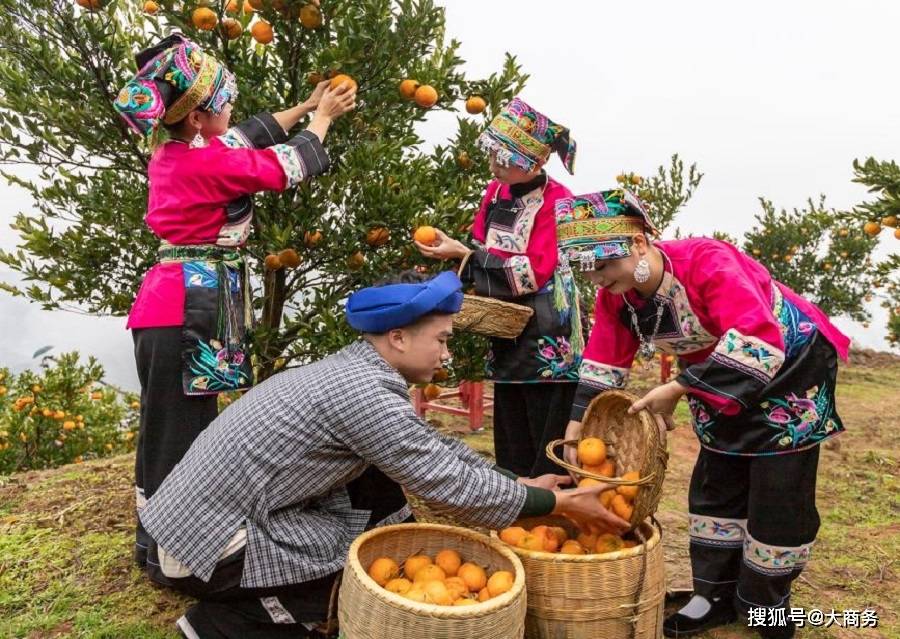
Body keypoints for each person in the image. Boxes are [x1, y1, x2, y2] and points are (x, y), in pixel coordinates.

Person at [137, 271, 627, 638]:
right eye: (440, 339)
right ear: (398, 338)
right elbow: (445, 482)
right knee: (360, 569)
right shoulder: (363, 396)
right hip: (203, 549)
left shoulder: (359, 374)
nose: (445, 354)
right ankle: (224, 624)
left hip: (205, 526)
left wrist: (519, 486)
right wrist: (556, 505)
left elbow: (431, 450)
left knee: (377, 507)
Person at [555, 190, 850, 639]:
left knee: (778, 485)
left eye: (603, 265)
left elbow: (757, 339)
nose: (597, 278)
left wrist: (676, 388)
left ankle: (765, 603)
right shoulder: (619, 296)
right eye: (587, 269)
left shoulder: (707, 261)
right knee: (718, 474)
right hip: (715, 375)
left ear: (637, 245)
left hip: (789, 364)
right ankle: (711, 595)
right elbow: (603, 362)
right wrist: (576, 429)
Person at [113, 32, 356, 568]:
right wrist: (326, 119)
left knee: (170, 427)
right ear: (198, 118)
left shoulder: (183, 151)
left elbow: (247, 135)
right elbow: (285, 166)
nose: (232, 108)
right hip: (185, 311)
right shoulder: (205, 164)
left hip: (175, 304)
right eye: (222, 101)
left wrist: (305, 105)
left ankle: (155, 544)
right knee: (181, 435)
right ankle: (174, 554)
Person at [416, 97, 584, 478]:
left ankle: (554, 513)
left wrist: (468, 257)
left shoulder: (558, 201)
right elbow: (481, 245)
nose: (494, 166)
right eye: (493, 156)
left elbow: (535, 272)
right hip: (506, 328)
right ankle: (516, 507)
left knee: (547, 436)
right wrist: (456, 254)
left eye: (504, 160)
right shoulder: (495, 192)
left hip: (547, 335)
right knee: (511, 431)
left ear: (533, 162)